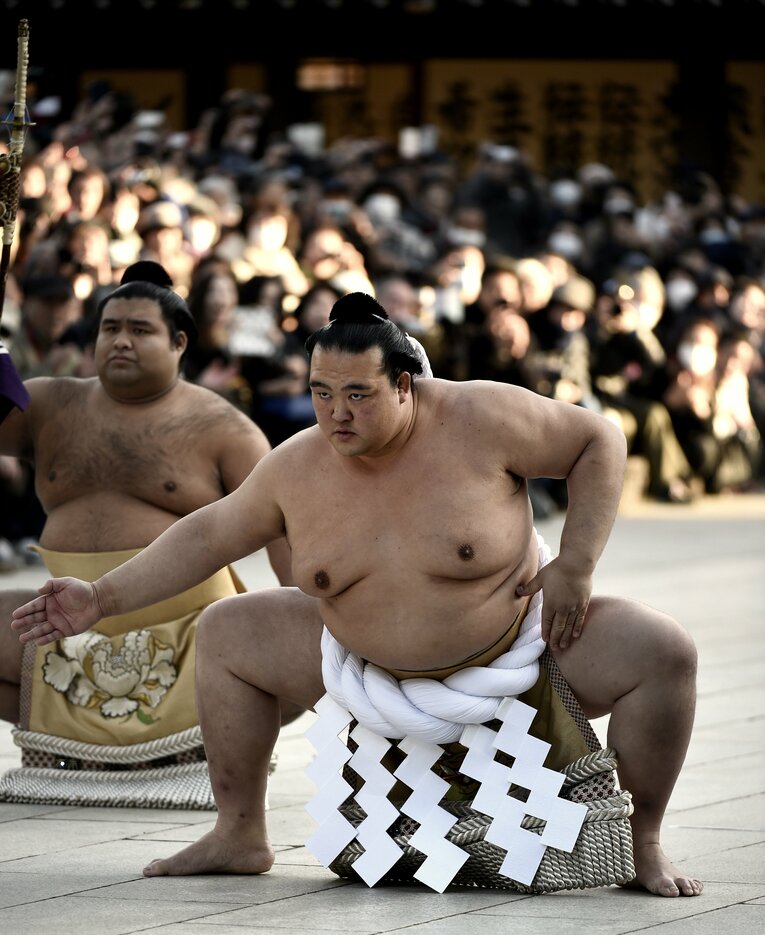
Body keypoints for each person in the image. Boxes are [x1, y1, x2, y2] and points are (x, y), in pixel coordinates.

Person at [11, 292, 702, 898]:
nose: (335, 414)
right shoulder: (297, 465)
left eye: (357, 395)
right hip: (360, 669)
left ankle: (641, 842)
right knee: (229, 629)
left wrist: (576, 564)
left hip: (520, 653)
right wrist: (100, 598)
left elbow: (598, 441)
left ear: (404, 384)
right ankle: (239, 831)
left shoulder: (483, 417)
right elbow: (208, 534)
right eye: (320, 393)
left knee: (661, 650)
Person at [0, 260, 292, 768]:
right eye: (110, 328)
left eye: (140, 330)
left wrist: (312, 614)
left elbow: (285, 535)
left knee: (299, 650)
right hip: (63, 624)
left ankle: (189, 734)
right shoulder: (49, 403)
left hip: (191, 632)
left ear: (179, 343)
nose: (121, 341)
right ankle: (88, 740)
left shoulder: (225, 428)